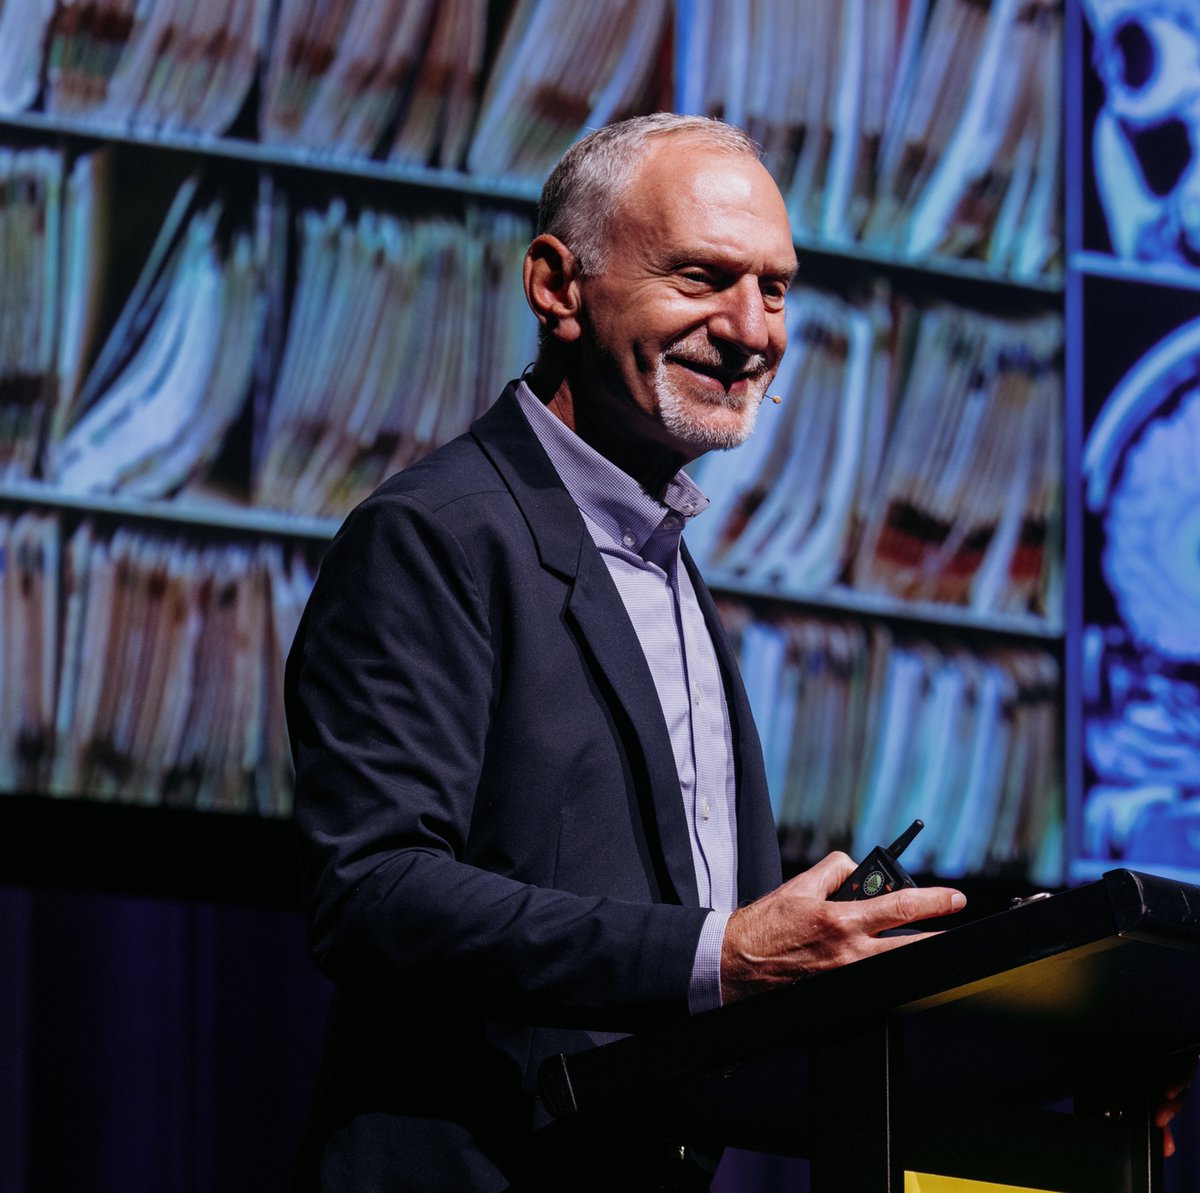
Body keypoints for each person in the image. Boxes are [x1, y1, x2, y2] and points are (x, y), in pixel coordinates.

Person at [284, 113, 966, 1193]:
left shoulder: (667, 563)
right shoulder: (435, 535)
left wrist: (1042, 1028)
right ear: (557, 286)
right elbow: (373, 890)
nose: (750, 330)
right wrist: (721, 955)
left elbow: (726, 967)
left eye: (775, 288)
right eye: (702, 277)